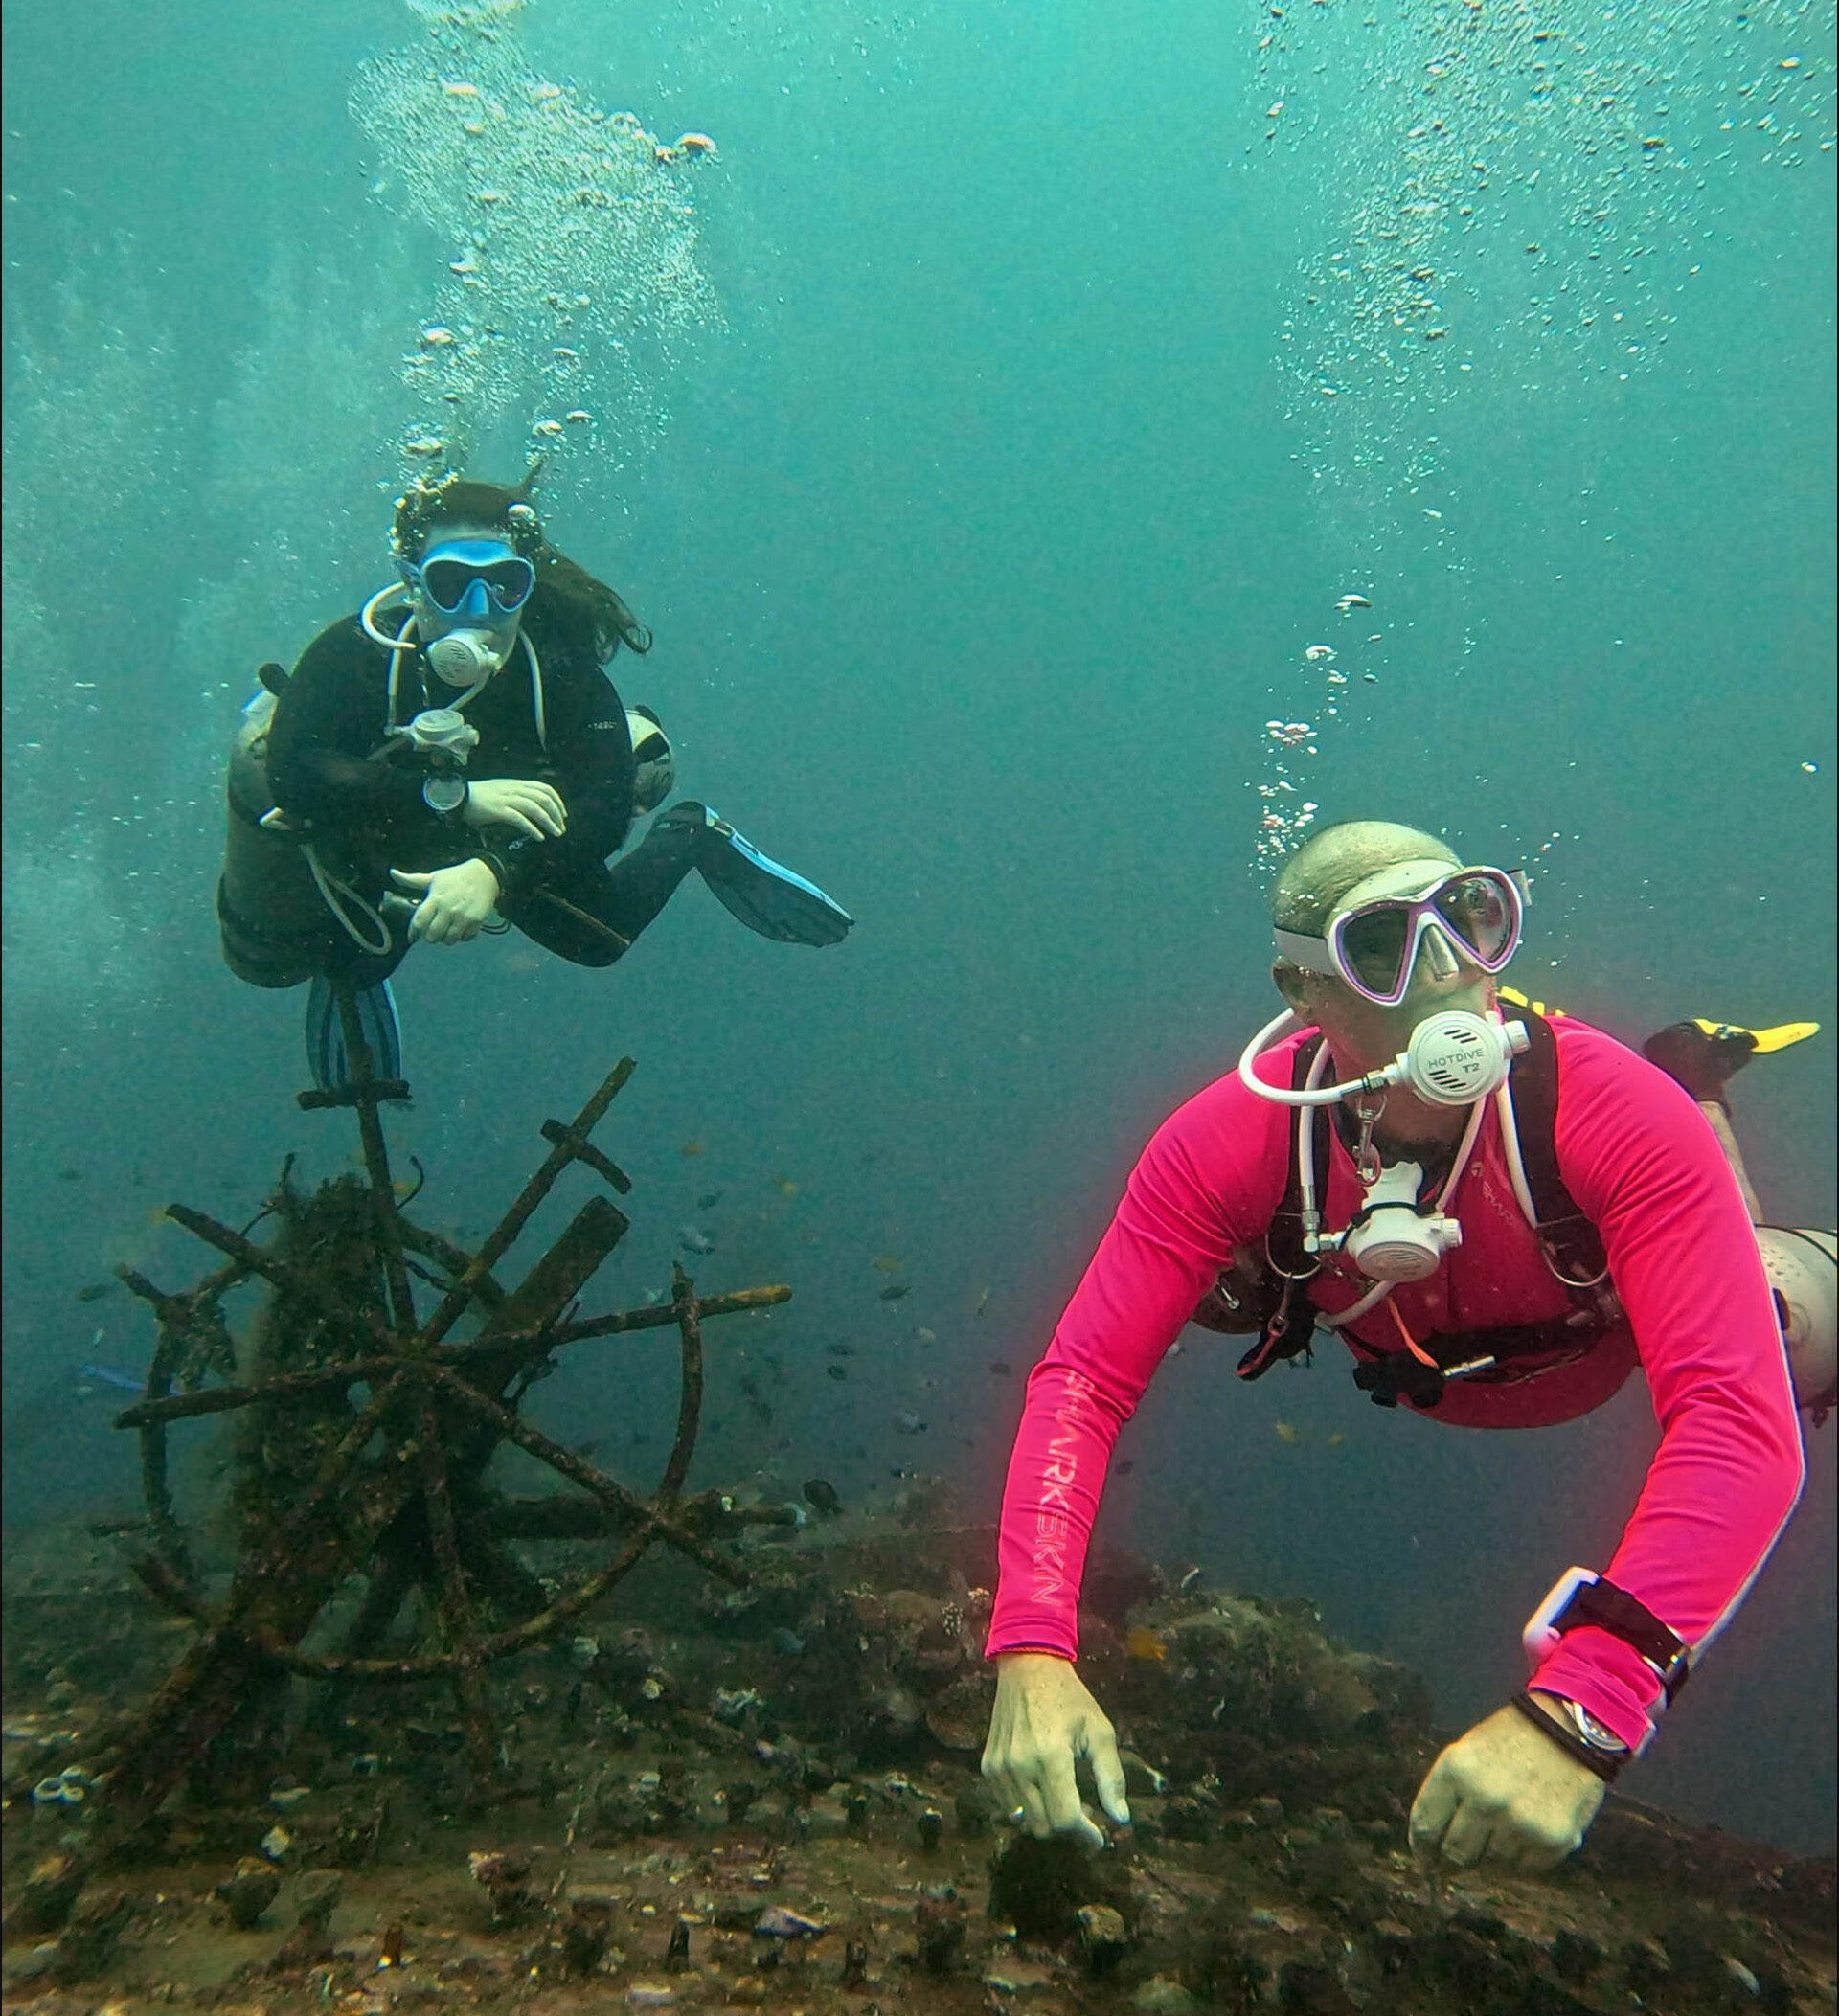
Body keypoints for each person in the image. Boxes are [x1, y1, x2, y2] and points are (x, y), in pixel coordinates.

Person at [980, 819, 1831, 1872]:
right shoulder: (1231, 1138)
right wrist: (1031, 1647)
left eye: (1468, 918)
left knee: (1789, 1326)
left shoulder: (1611, 1111)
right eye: (1380, 944)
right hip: (1417, 1352)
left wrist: (1586, 1705)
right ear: (1302, 988)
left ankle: (1700, 1083)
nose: (1443, 972)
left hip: (1604, 1324)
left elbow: (1738, 1426)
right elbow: (1084, 1379)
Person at [217, 471, 851, 1084]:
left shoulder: (559, 671)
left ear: (527, 585)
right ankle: (358, 967)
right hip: (397, 821)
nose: (479, 610)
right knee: (351, 961)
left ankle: (693, 832)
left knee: (602, 938)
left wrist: (494, 872)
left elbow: (601, 806)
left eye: (503, 586)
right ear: (412, 584)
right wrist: (455, 801)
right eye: (450, 584)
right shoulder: (356, 653)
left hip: (522, 830)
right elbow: (296, 771)